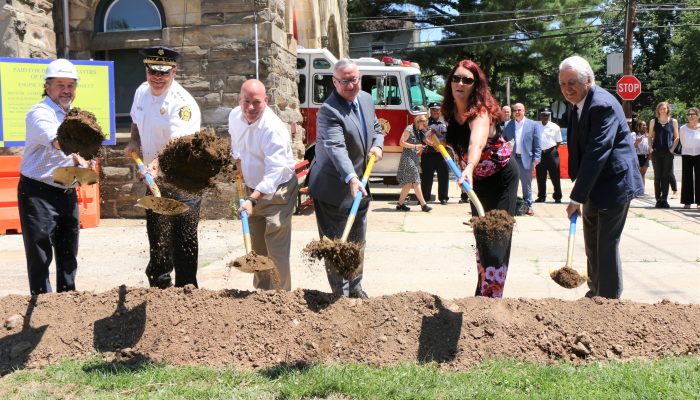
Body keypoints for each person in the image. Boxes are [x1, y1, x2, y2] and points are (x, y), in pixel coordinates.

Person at [559, 55, 644, 299]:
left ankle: (608, 300)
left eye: (572, 82)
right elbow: (578, 147)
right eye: (563, 84)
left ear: (588, 81)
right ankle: (595, 291)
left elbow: (598, 152)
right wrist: (580, 187)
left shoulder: (601, 105)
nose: (567, 89)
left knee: (605, 244)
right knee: (592, 242)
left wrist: (576, 197)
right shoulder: (577, 104)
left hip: (615, 183)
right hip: (594, 184)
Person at [124, 46, 202, 288]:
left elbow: (176, 144)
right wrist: (134, 140)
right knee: (158, 238)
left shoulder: (183, 104)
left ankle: (187, 291)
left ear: (174, 72)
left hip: (183, 181)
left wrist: (154, 166)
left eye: (163, 72)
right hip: (155, 180)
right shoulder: (141, 92)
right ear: (146, 70)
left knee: (183, 241)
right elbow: (136, 120)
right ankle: (159, 290)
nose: (157, 77)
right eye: (152, 71)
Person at [307, 58, 384, 299]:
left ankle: (356, 287)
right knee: (336, 244)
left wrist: (378, 147)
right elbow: (336, 147)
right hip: (333, 188)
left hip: (361, 185)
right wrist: (351, 177)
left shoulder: (366, 99)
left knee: (357, 239)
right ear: (334, 81)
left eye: (354, 79)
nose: (350, 85)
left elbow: (377, 129)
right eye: (344, 81)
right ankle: (339, 295)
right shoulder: (329, 110)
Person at [442, 60, 519, 298]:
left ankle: (493, 299)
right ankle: (482, 293)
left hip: (501, 178)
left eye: (467, 80)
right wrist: (438, 137)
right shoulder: (450, 111)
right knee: (483, 240)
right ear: (450, 82)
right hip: (477, 181)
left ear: (477, 85)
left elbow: (476, 141)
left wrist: (470, 165)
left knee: (497, 239)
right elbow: (457, 139)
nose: (460, 83)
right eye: (456, 78)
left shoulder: (481, 112)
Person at [19, 59, 94, 295]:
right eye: (60, 84)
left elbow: (81, 150)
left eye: (71, 85)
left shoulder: (72, 115)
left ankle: (67, 303)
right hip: (38, 192)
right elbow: (58, 141)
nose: (66, 90)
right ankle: (41, 302)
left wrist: (88, 158)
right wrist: (80, 153)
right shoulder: (39, 113)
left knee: (68, 253)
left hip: (66, 190)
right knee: (40, 253)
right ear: (47, 86)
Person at [229, 79, 298, 290]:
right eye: (246, 101)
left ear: (266, 101)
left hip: (278, 192)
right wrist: (237, 163)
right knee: (257, 250)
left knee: (275, 251)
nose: (250, 107)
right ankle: (261, 298)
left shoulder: (273, 128)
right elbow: (237, 146)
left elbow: (274, 172)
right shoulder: (234, 116)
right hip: (251, 188)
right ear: (239, 99)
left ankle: (281, 299)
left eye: (257, 102)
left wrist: (252, 199)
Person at [503, 102, 542, 215]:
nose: (517, 112)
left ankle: (529, 206)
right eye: (515, 110)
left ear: (524, 111)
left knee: (527, 185)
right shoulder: (507, 125)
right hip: (512, 159)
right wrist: (506, 145)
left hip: (527, 160)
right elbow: (502, 140)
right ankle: (510, 207)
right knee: (510, 184)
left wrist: (537, 158)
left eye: (520, 110)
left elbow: (537, 143)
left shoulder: (533, 124)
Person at [396, 115, 431, 212]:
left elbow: (424, 142)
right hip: (408, 158)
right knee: (416, 180)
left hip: (414, 158)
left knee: (408, 182)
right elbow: (401, 143)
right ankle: (423, 205)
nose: (424, 127)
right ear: (419, 122)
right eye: (423, 125)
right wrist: (416, 146)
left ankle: (400, 204)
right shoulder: (409, 128)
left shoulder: (417, 131)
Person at [648, 101, 680, 208]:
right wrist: (651, 148)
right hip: (656, 152)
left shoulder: (673, 121)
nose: (663, 110)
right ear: (658, 110)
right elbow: (649, 137)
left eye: (665, 108)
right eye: (661, 108)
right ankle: (658, 199)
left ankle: (664, 200)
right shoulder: (653, 121)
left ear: (668, 109)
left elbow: (677, 137)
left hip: (668, 153)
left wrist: (672, 149)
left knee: (665, 177)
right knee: (657, 176)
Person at [421, 102, 450, 204]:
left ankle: (443, 198)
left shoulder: (445, 123)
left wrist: (442, 146)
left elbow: (448, 138)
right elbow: (422, 137)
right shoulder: (425, 123)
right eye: (433, 109)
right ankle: (424, 198)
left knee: (443, 176)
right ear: (430, 111)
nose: (435, 111)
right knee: (426, 177)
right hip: (428, 154)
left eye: (437, 109)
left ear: (440, 111)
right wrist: (432, 144)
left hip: (442, 154)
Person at [534, 107, 563, 203]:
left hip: (552, 153)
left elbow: (558, 142)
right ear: (540, 115)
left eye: (547, 115)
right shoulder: (535, 125)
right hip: (540, 154)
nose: (545, 116)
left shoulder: (555, 127)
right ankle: (541, 196)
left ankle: (557, 196)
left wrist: (551, 150)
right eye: (543, 114)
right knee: (540, 176)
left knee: (555, 176)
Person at [679, 107, 700, 209]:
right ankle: (687, 201)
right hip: (687, 154)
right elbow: (682, 141)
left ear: (698, 116)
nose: (690, 116)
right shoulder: (683, 128)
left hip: (699, 154)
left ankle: (699, 202)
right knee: (687, 177)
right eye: (689, 114)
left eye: (693, 114)